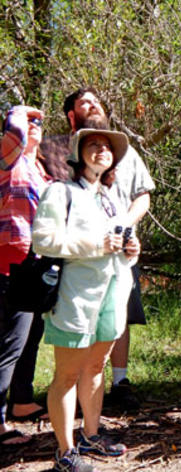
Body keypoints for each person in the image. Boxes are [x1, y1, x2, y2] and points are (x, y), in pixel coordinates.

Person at [32, 128, 140, 471]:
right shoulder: (60, 192)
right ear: (79, 154)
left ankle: (91, 436)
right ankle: (65, 453)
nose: (102, 150)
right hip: (75, 298)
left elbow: (120, 247)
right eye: (93, 144)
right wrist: (97, 246)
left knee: (96, 366)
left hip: (112, 294)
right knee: (67, 374)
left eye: (108, 147)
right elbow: (43, 241)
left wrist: (131, 252)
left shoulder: (112, 199)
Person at [61, 87, 155, 410]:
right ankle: (72, 386)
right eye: (84, 102)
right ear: (72, 115)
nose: (93, 105)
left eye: (97, 101)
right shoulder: (61, 151)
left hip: (122, 250)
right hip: (79, 253)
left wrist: (126, 224)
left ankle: (120, 381)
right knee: (79, 316)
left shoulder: (125, 152)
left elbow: (143, 194)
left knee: (119, 314)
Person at [0, 105, 51, 448]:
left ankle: (21, 400)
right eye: (28, 124)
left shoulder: (42, 172)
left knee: (31, 334)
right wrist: (20, 111)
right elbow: (15, 138)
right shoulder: (7, 161)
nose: (33, 126)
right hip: (7, 264)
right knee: (9, 344)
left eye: (39, 124)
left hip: (34, 265)